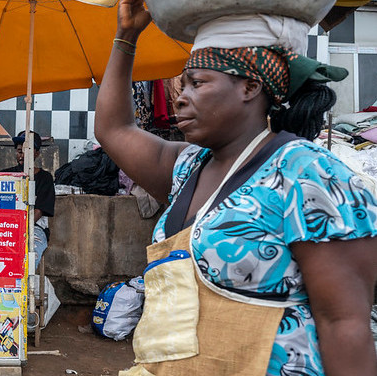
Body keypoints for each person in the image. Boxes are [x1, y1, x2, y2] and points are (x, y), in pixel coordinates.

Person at [95, 1, 377, 375]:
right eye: (184, 83)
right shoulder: (187, 167)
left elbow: (346, 325)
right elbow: (114, 131)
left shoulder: (310, 176)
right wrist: (127, 35)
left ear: (250, 87)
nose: (180, 96)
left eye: (197, 83)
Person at [1, 131, 55, 270]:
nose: (22, 155)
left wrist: (19, 228)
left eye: (27, 151)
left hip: (34, 229)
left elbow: (39, 211)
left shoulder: (45, 178)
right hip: (5, 228)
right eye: (19, 151)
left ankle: (25, 290)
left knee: (29, 257)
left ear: (37, 153)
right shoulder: (5, 175)